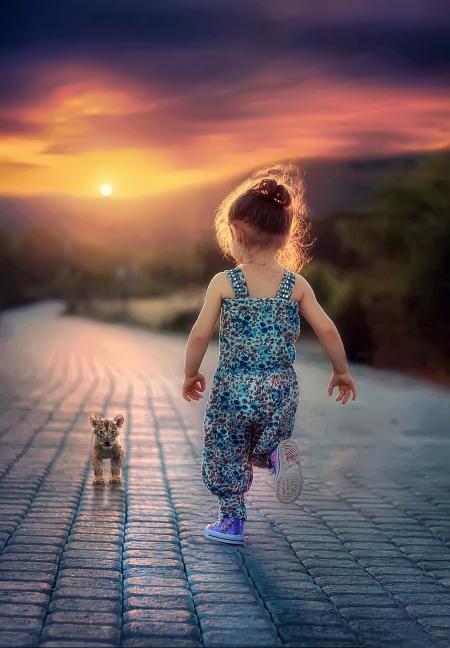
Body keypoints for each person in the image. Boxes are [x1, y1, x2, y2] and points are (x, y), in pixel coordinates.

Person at [182, 165, 357, 545]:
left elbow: (200, 333)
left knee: (227, 448)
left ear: (237, 234)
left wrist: (190, 373)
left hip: (234, 388)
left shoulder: (224, 282)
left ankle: (231, 522)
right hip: (279, 387)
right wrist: (341, 372)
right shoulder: (297, 285)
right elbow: (326, 328)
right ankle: (277, 455)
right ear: (284, 237)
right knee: (269, 439)